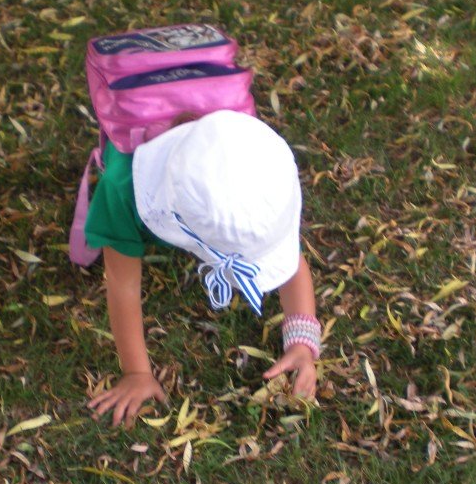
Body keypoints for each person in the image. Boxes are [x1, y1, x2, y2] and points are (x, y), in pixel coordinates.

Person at [83, 110, 321, 426]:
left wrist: (302, 345)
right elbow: (122, 282)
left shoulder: (257, 163)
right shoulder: (122, 191)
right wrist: (137, 372)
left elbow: (288, 256)